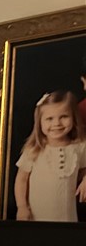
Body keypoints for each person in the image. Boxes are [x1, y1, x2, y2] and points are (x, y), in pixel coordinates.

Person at [13, 90, 86, 222]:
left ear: (73, 118)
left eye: (64, 116)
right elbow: (21, 179)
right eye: (49, 119)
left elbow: (83, 171)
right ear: (40, 122)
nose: (57, 123)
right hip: (37, 218)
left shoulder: (79, 147)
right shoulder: (34, 149)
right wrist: (22, 207)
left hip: (67, 218)